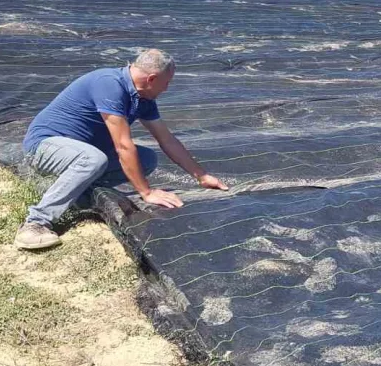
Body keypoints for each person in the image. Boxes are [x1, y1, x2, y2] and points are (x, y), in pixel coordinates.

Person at [14, 48, 227, 250]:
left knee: (146, 159)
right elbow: (123, 145)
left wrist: (201, 176)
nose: (167, 89)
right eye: (166, 82)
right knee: (94, 159)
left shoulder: (143, 99)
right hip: (45, 146)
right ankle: (36, 223)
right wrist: (147, 192)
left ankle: (76, 194)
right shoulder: (109, 84)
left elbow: (167, 139)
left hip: (82, 152)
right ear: (152, 79)